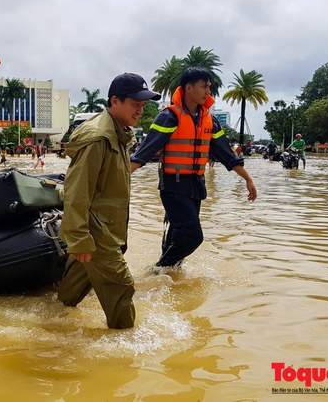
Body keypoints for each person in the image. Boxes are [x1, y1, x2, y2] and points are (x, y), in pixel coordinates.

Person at [58, 72, 161, 329]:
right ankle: (125, 349)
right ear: (115, 101)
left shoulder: (121, 134)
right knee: (121, 287)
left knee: (66, 299)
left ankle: (51, 324)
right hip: (96, 231)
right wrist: (79, 238)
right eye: (135, 105)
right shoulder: (98, 138)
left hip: (105, 230)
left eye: (143, 106)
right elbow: (77, 191)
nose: (140, 111)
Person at [131, 67, 257, 269]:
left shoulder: (210, 120)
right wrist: (116, 178)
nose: (209, 91)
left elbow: (227, 154)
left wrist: (248, 179)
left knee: (179, 235)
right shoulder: (169, 117)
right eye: (204, 86)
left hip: (196, 186)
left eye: (210, 87)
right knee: (194, 236)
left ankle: (170, 277)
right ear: (188, 88)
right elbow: (142, 154)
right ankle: (158, 270)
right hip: (173, 187)